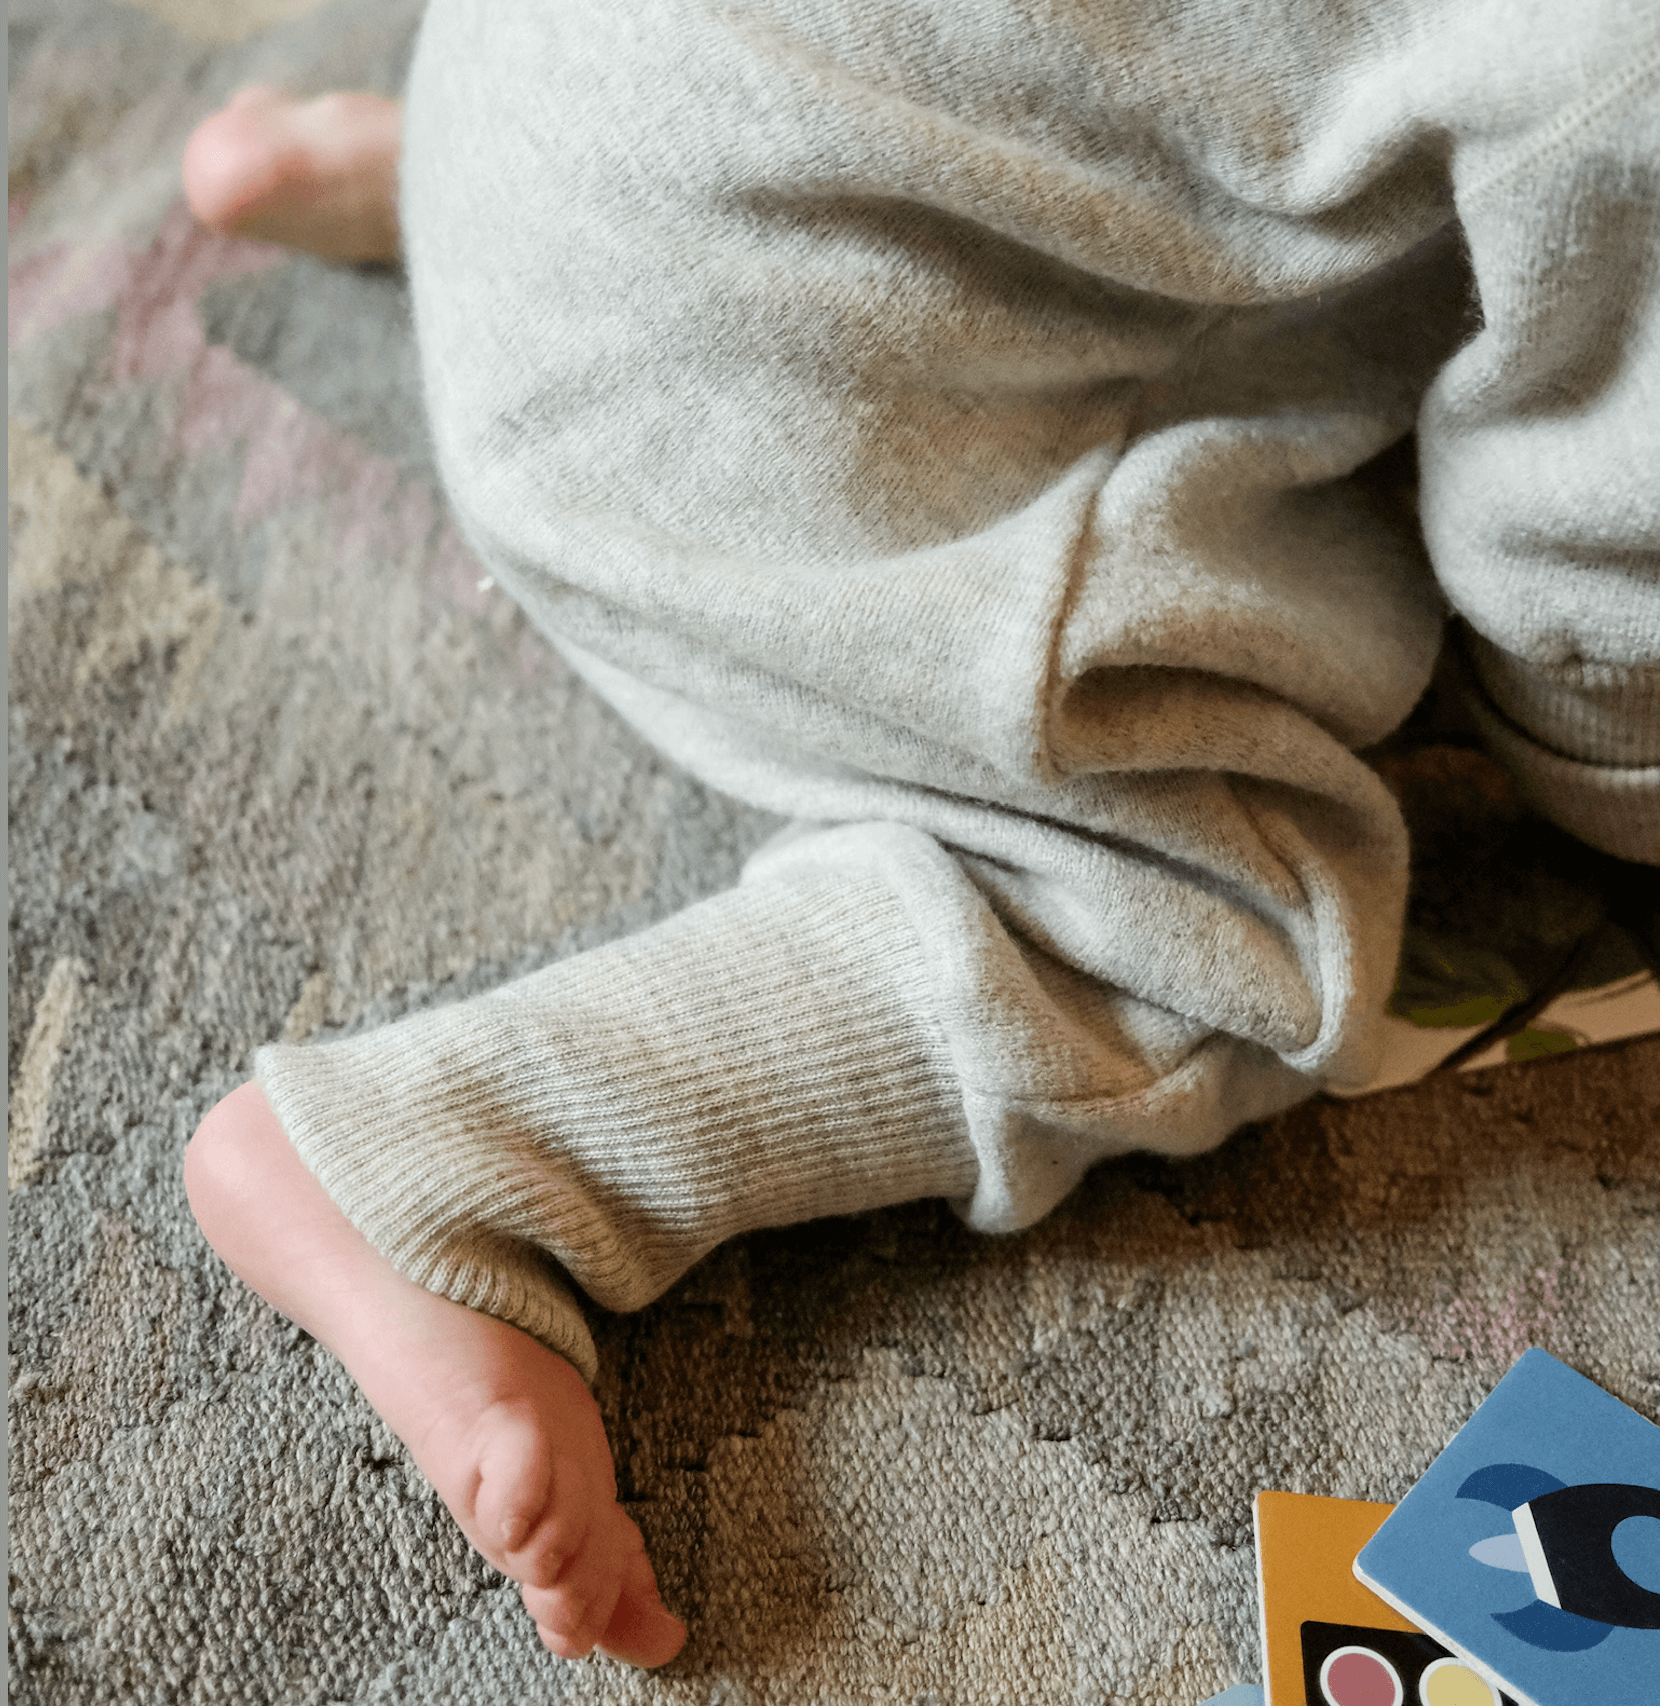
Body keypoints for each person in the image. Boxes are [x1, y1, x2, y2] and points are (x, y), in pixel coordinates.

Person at [181, 0, 1660, 1673]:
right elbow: (1602, 561)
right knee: (1214, 923)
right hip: (735, 413)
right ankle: (441, 1158)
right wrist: (1609, 776)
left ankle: (450, 197)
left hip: (558, 99)